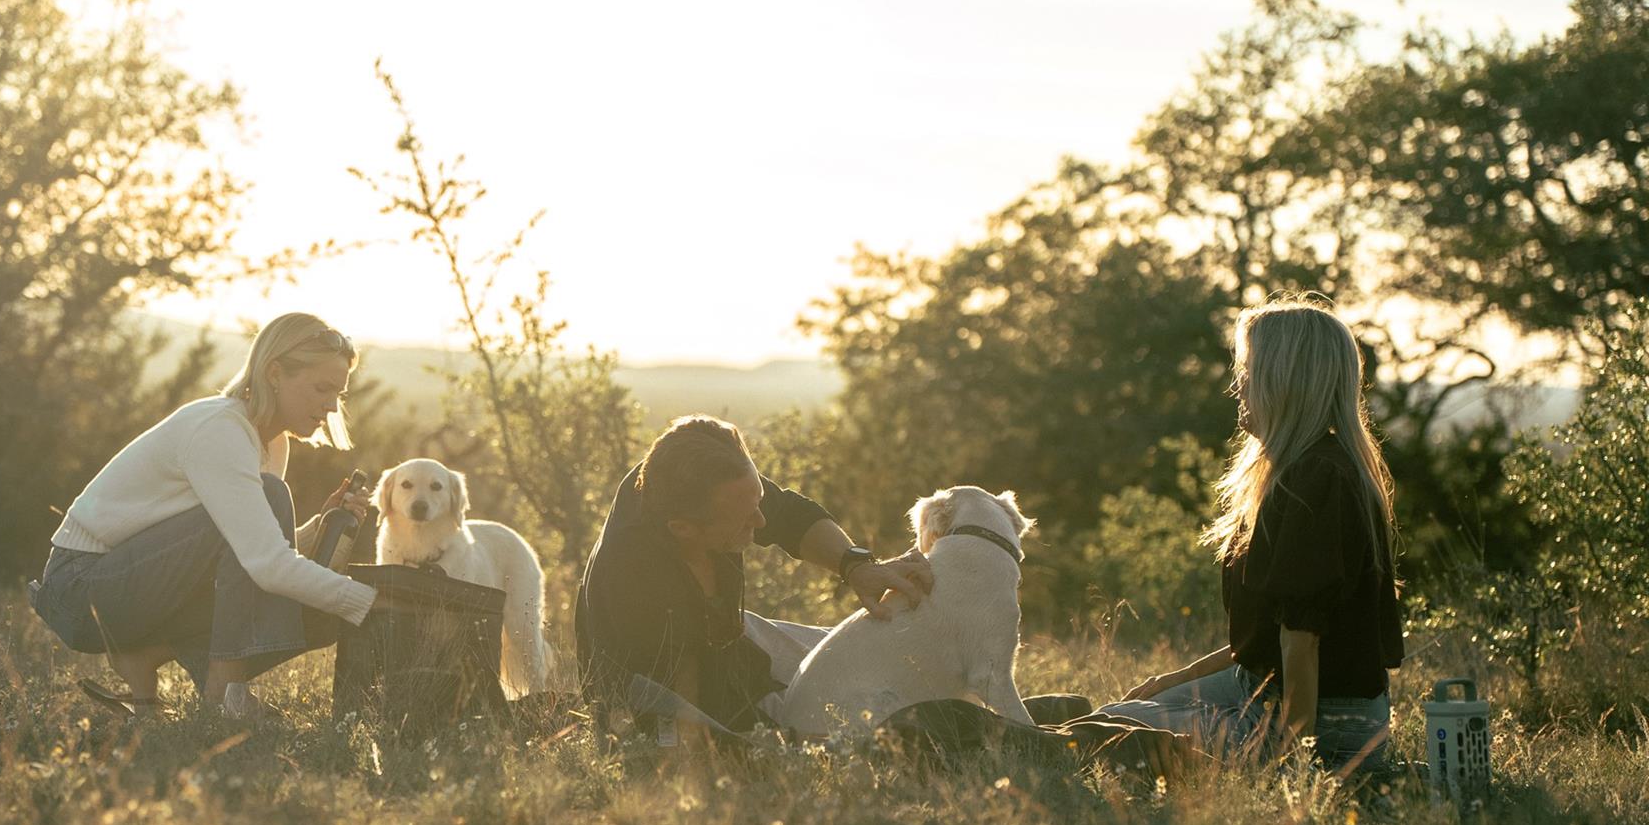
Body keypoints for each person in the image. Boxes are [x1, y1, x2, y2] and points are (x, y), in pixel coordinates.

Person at [575, 415, 1090, 746]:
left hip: (732, 637)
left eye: (757, 499)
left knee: (883, 649)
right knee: (851, 718)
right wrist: (800, 733)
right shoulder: (640, 588)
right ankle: (1022, 733)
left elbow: (788, 516)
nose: (759, 523)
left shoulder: (693, 475)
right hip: (662, 689)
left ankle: (1007, 714)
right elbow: (700, 699)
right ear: (682, 530)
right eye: (744, 519)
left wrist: (857, 566)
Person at [1099, 296, 1405, 770]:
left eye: (1250, 370)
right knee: (1113, 717)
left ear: (1285, 381)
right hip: (1256, 685)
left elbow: (1301, 641)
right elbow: (1266, 638)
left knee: (1108, 735)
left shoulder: (1317, 481)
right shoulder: (1299, 470)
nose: (1238, 385)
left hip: (1321, 718)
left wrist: (1294, 763)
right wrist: (1172, 679)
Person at [30, 313, 378, 721]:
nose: (332, 406)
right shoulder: (221, 430)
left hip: (138, 585)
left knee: (319, 616)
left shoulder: (272, 443)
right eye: (322, 388)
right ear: (275, 373)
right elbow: (265, 564)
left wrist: (320, 525)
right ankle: (224, 698)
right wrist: (369, 603)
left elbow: (249, 554)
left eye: (339, 394)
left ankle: (145, 657)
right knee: (273, 502)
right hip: (80, 589)